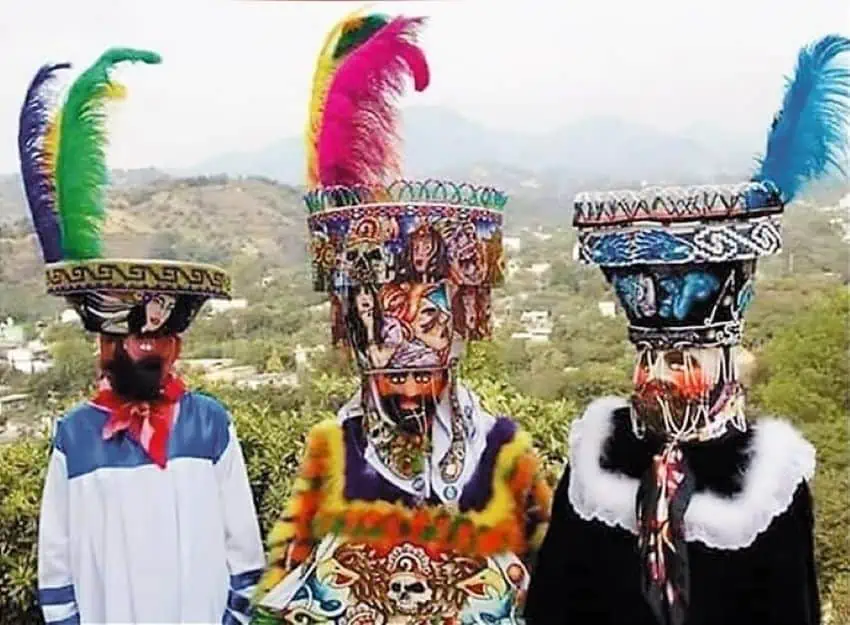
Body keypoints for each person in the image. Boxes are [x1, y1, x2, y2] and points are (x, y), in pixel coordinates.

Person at [525, 34, 850, 625]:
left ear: (723, 359)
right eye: (649, 358)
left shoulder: (767, 481)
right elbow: (555, 602)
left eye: (680, 359)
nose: (657, 377)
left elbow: (788, 609)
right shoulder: (600, 456)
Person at [251, 10, 551, 624]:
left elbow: (562, 586)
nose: (410, 378)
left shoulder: (505, 451)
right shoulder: (331, 449)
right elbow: (281, 585)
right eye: (393, 371)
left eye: (430, 321)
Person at [22, 49, 265, 625]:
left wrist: (236, 617)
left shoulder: (210, 423)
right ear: (102, 347)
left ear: (176, 344)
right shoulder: (75, 435)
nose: (140, 348)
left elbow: (243, 546)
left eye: (154, 336)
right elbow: (56, 563)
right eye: (123, 337)